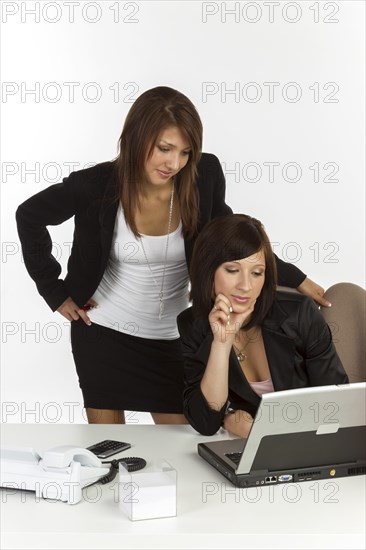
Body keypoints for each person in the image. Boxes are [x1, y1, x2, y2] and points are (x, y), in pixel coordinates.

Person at [16, 86, 329, 425]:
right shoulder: (96, 185)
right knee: (108, 458)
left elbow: (231, 240)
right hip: (103, 335)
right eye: (165, 148)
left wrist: (297, 279)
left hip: (173, 339)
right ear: (137, 138)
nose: (174, 163)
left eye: (184, 152)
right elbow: (29, 215)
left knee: (179, 451)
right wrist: (54, 291)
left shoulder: (202, 176)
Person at [177, 214, 348, 436]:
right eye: (232, 270)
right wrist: (222, 343)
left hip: (311, 443)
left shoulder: (299, 314)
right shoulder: (193, 326)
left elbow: (337, 404)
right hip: (248, 452)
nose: (246, 286)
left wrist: (257, 429)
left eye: (257, 273)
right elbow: (205, 422)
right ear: (208, 272)